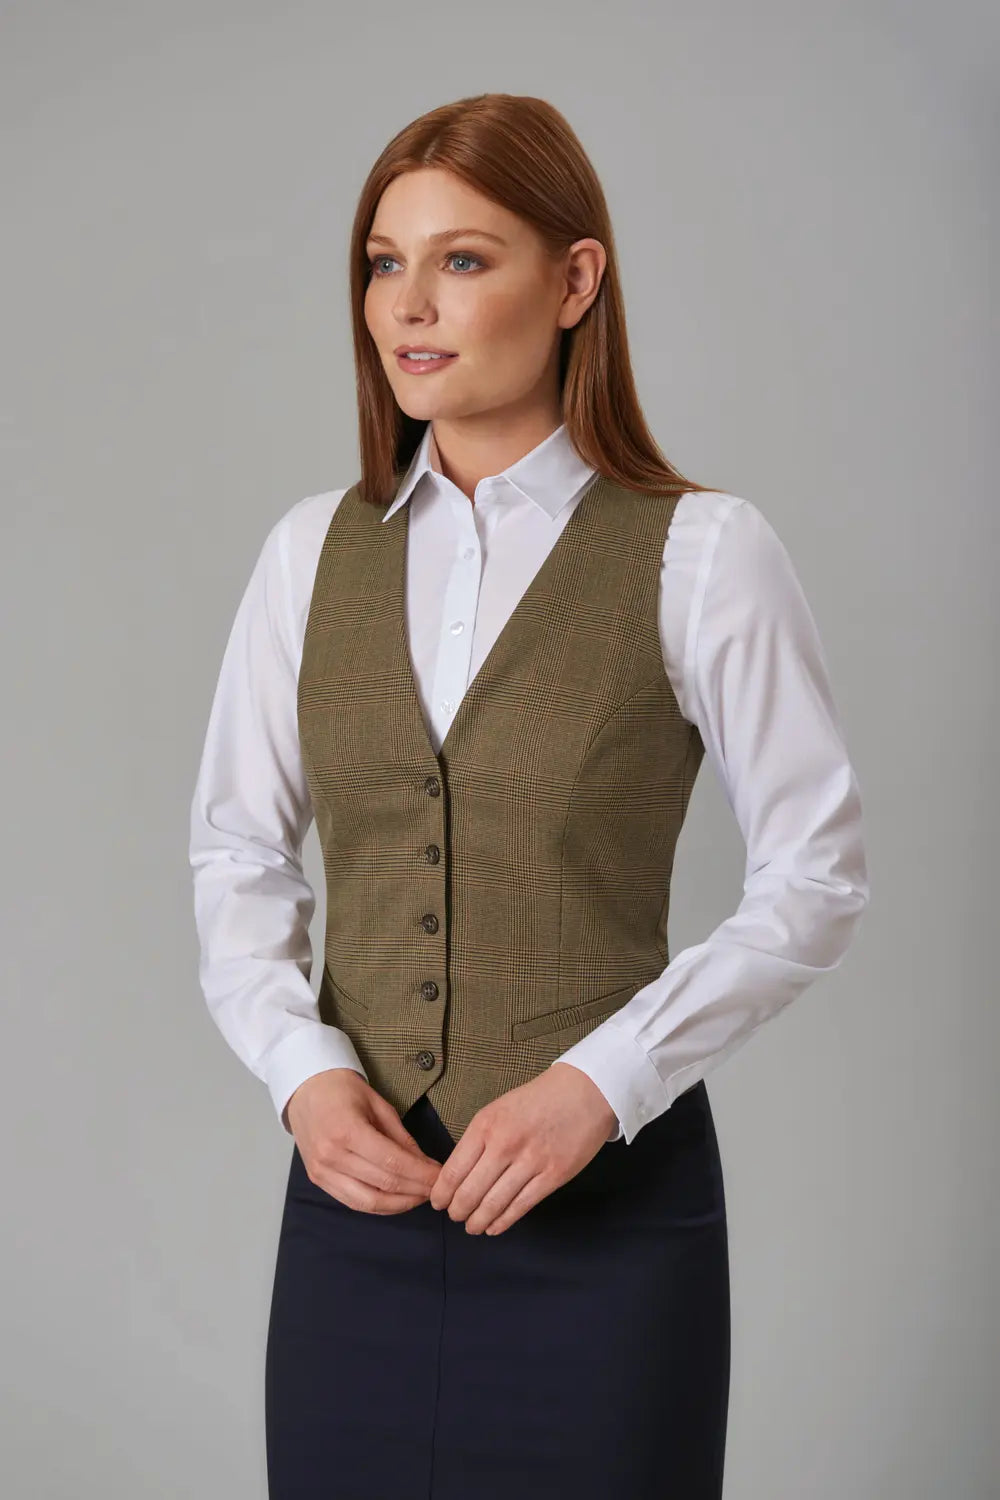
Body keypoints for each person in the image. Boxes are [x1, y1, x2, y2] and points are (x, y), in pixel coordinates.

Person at [188, 92, 870, 1500]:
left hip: (607, 1221)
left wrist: (601, 1086)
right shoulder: (310, 553)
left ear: (574, 281)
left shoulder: (703, 553)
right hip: (357, 1215)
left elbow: (816, 878)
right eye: (384, 262)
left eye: (462, 260)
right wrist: (303, 1075)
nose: (408, 306)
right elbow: (239, 850)